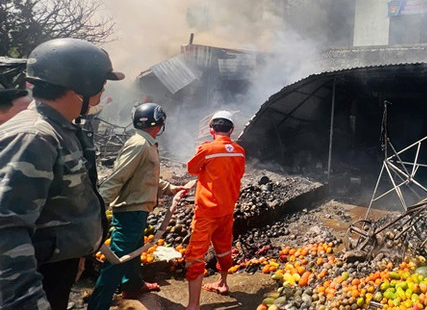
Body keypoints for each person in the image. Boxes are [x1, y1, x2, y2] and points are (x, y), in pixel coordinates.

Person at [0, 38, 124, 310]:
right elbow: (6, 228)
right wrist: (26, 302)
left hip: (56, 266)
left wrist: (77, 252)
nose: (103, 91)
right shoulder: (34, 137)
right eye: (101, 83)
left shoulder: (62, 129)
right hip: (35, 279)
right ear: (84, 83)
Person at [88, 102, 186, 309]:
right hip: (130, 209)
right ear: (158, 124)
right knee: (118, 259)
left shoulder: (146, 143)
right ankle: (98, 305)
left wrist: (170, 188)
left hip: (138, 209)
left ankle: (133, 285)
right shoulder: (139, 144)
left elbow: (146, 175)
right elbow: (118, 177)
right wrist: (97, 208)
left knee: (134, 248)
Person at [184, 110, 245, 310]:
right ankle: (223, 283)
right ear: (232, 130)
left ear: (211, 130)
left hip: (207, 211)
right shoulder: (239, 151)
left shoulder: (208, 149)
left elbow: (192, 169)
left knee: (195, 255)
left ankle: (193, 305)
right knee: (224, 247)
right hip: (227, 209)